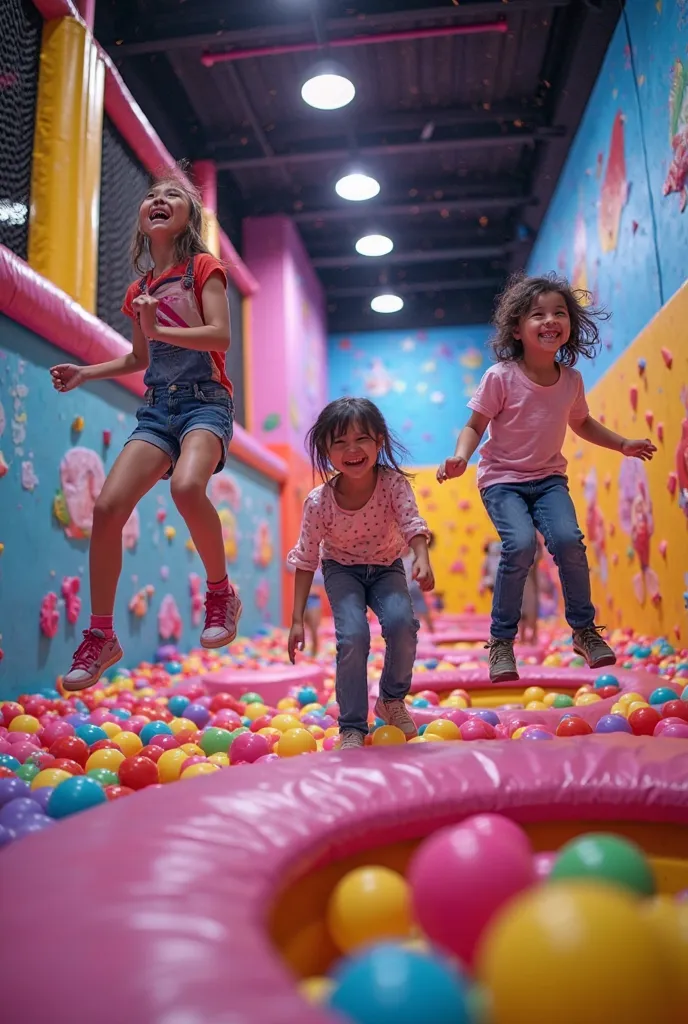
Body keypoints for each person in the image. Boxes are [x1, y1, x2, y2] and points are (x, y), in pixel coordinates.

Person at [50, 172, 241, 690]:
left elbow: (221, 334)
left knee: (186, 486)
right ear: (143, 217)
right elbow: (140, 355)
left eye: (172, 196)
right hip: (157, 410)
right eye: (152, 195)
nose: (159, 200)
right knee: (108, 508)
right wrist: (86, 371)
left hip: (205, 403)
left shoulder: (205, 268)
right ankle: (102, 634)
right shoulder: (139, 290)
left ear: (189, 217)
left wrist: (161, 329)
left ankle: (221, 593)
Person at [437, 272, 656, 683]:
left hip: (549, 479)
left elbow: (583, 423)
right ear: (518, 329)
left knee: (569, 540)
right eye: (538, 314)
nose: (550, 320)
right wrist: (460, 457)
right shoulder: (501, 377)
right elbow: (474, 426)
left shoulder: (570, 381)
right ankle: (501, 642)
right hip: (502, 480)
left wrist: (622, 443)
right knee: (519, 546)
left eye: (559, 312)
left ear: (570, 325)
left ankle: (584, 631)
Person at [287, 397, 434, 749]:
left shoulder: (393, 485)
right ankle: (352, 725)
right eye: (339, 442)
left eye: (361, 439)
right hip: (342, 570)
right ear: (326, 449)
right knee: (352, 637)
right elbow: (306, 558)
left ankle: (391, 699)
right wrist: (296, 619)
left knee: (402, 624)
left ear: (379, 441)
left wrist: (422, 558)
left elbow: (412, 523)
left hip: (386, 566)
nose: (351, 450)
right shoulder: (318, 501)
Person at [402, 532, 435, 633]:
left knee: (418, 606)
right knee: (416, 607)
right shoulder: (406, 557)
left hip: (411, 585)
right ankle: (428, 628)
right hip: (408, 585)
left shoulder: (411, 556)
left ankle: (429, 628)